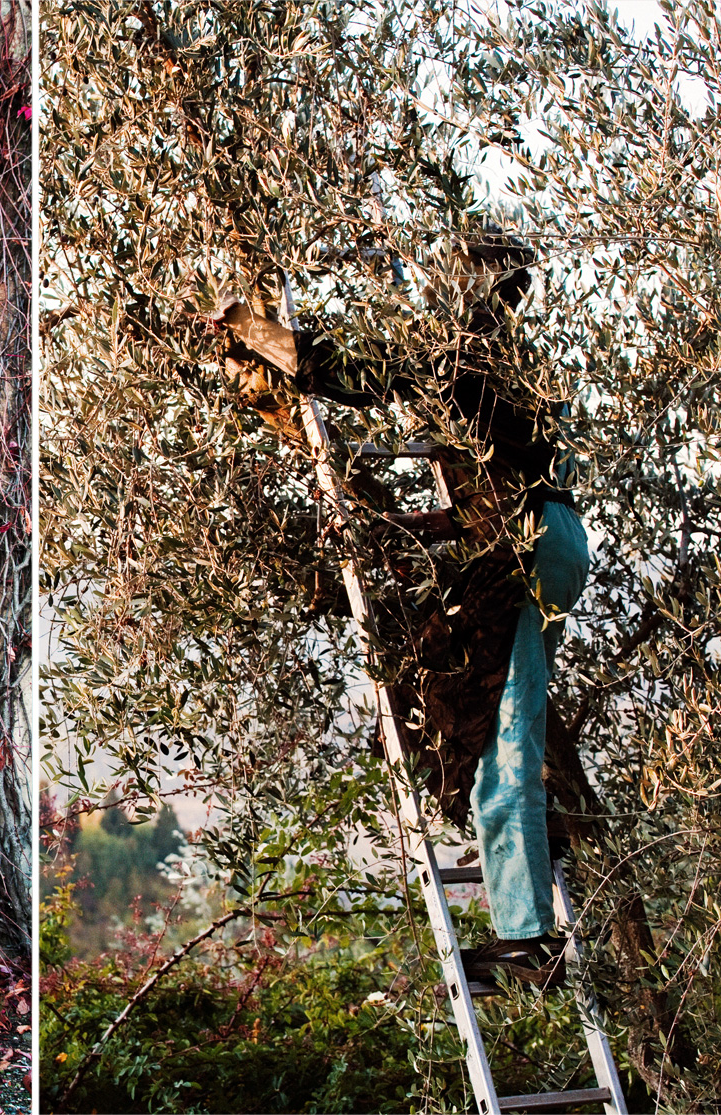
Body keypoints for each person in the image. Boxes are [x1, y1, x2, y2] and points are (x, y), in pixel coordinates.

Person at [221, 227, 587, 987]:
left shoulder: (470, 349)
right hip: (546, 541)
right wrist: (415, 526)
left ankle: (526, 939)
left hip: (528, 550)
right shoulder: (513, 361)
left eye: (453, 274)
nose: (440, 289)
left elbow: (359, 374)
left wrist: (259, 333)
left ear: (474, 283)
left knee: (502, 743)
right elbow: (500, 493)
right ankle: (536, 882)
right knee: (493, 714)